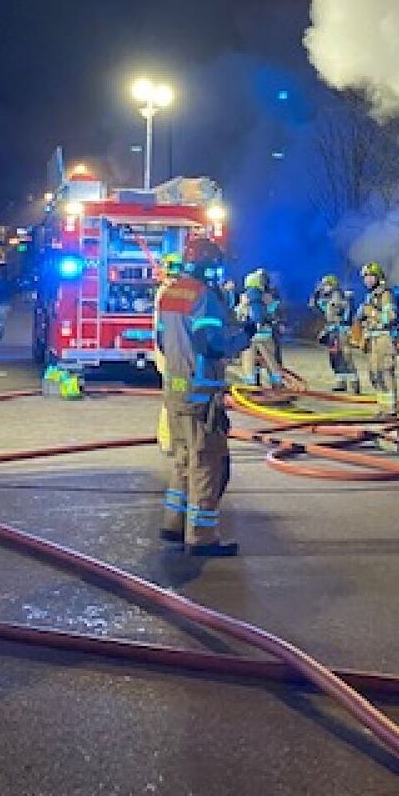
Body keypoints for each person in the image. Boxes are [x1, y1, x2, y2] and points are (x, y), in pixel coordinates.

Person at [154, 237, 249, 556]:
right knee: (206, 462)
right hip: (201, 392)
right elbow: (211, 344)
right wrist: (243, 338)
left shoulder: (168, 294)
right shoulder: (203, 296)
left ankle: (174, 523)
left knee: (182, 458)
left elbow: (161, 340)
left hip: (175, 389)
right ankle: (201, 536)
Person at [354, 262, 399, 417]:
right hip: (372, 339)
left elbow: (391, 317)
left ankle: (391, 410)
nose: (367, 280)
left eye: (370, 276)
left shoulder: (385, 294)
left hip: (384, 339)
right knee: (375, 375)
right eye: (365, 277)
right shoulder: (370, 296)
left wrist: (371, 312)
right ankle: (382, 408)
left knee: (385, 373)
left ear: (378, 277)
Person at [310, 275, 359, 394]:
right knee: (335, 357)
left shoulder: (340, 297)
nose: (324, 287)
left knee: (345, 356)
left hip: (341, 330)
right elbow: (316, 307)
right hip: (332, 330)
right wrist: (316, 295)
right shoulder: (328, 299)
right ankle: (341, 381)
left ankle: (354, 384)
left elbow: (345, 312)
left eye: (326, 285)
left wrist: (347, 305)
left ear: (332, 285)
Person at [235, 270, 280, 389]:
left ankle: (251, 384)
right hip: (265, 334)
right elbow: (273, 314)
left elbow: (239, 314)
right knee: (270, 359)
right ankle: (277, 383)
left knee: (248, 360)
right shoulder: (268, 297)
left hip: (249, 335)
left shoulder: (244, 297)